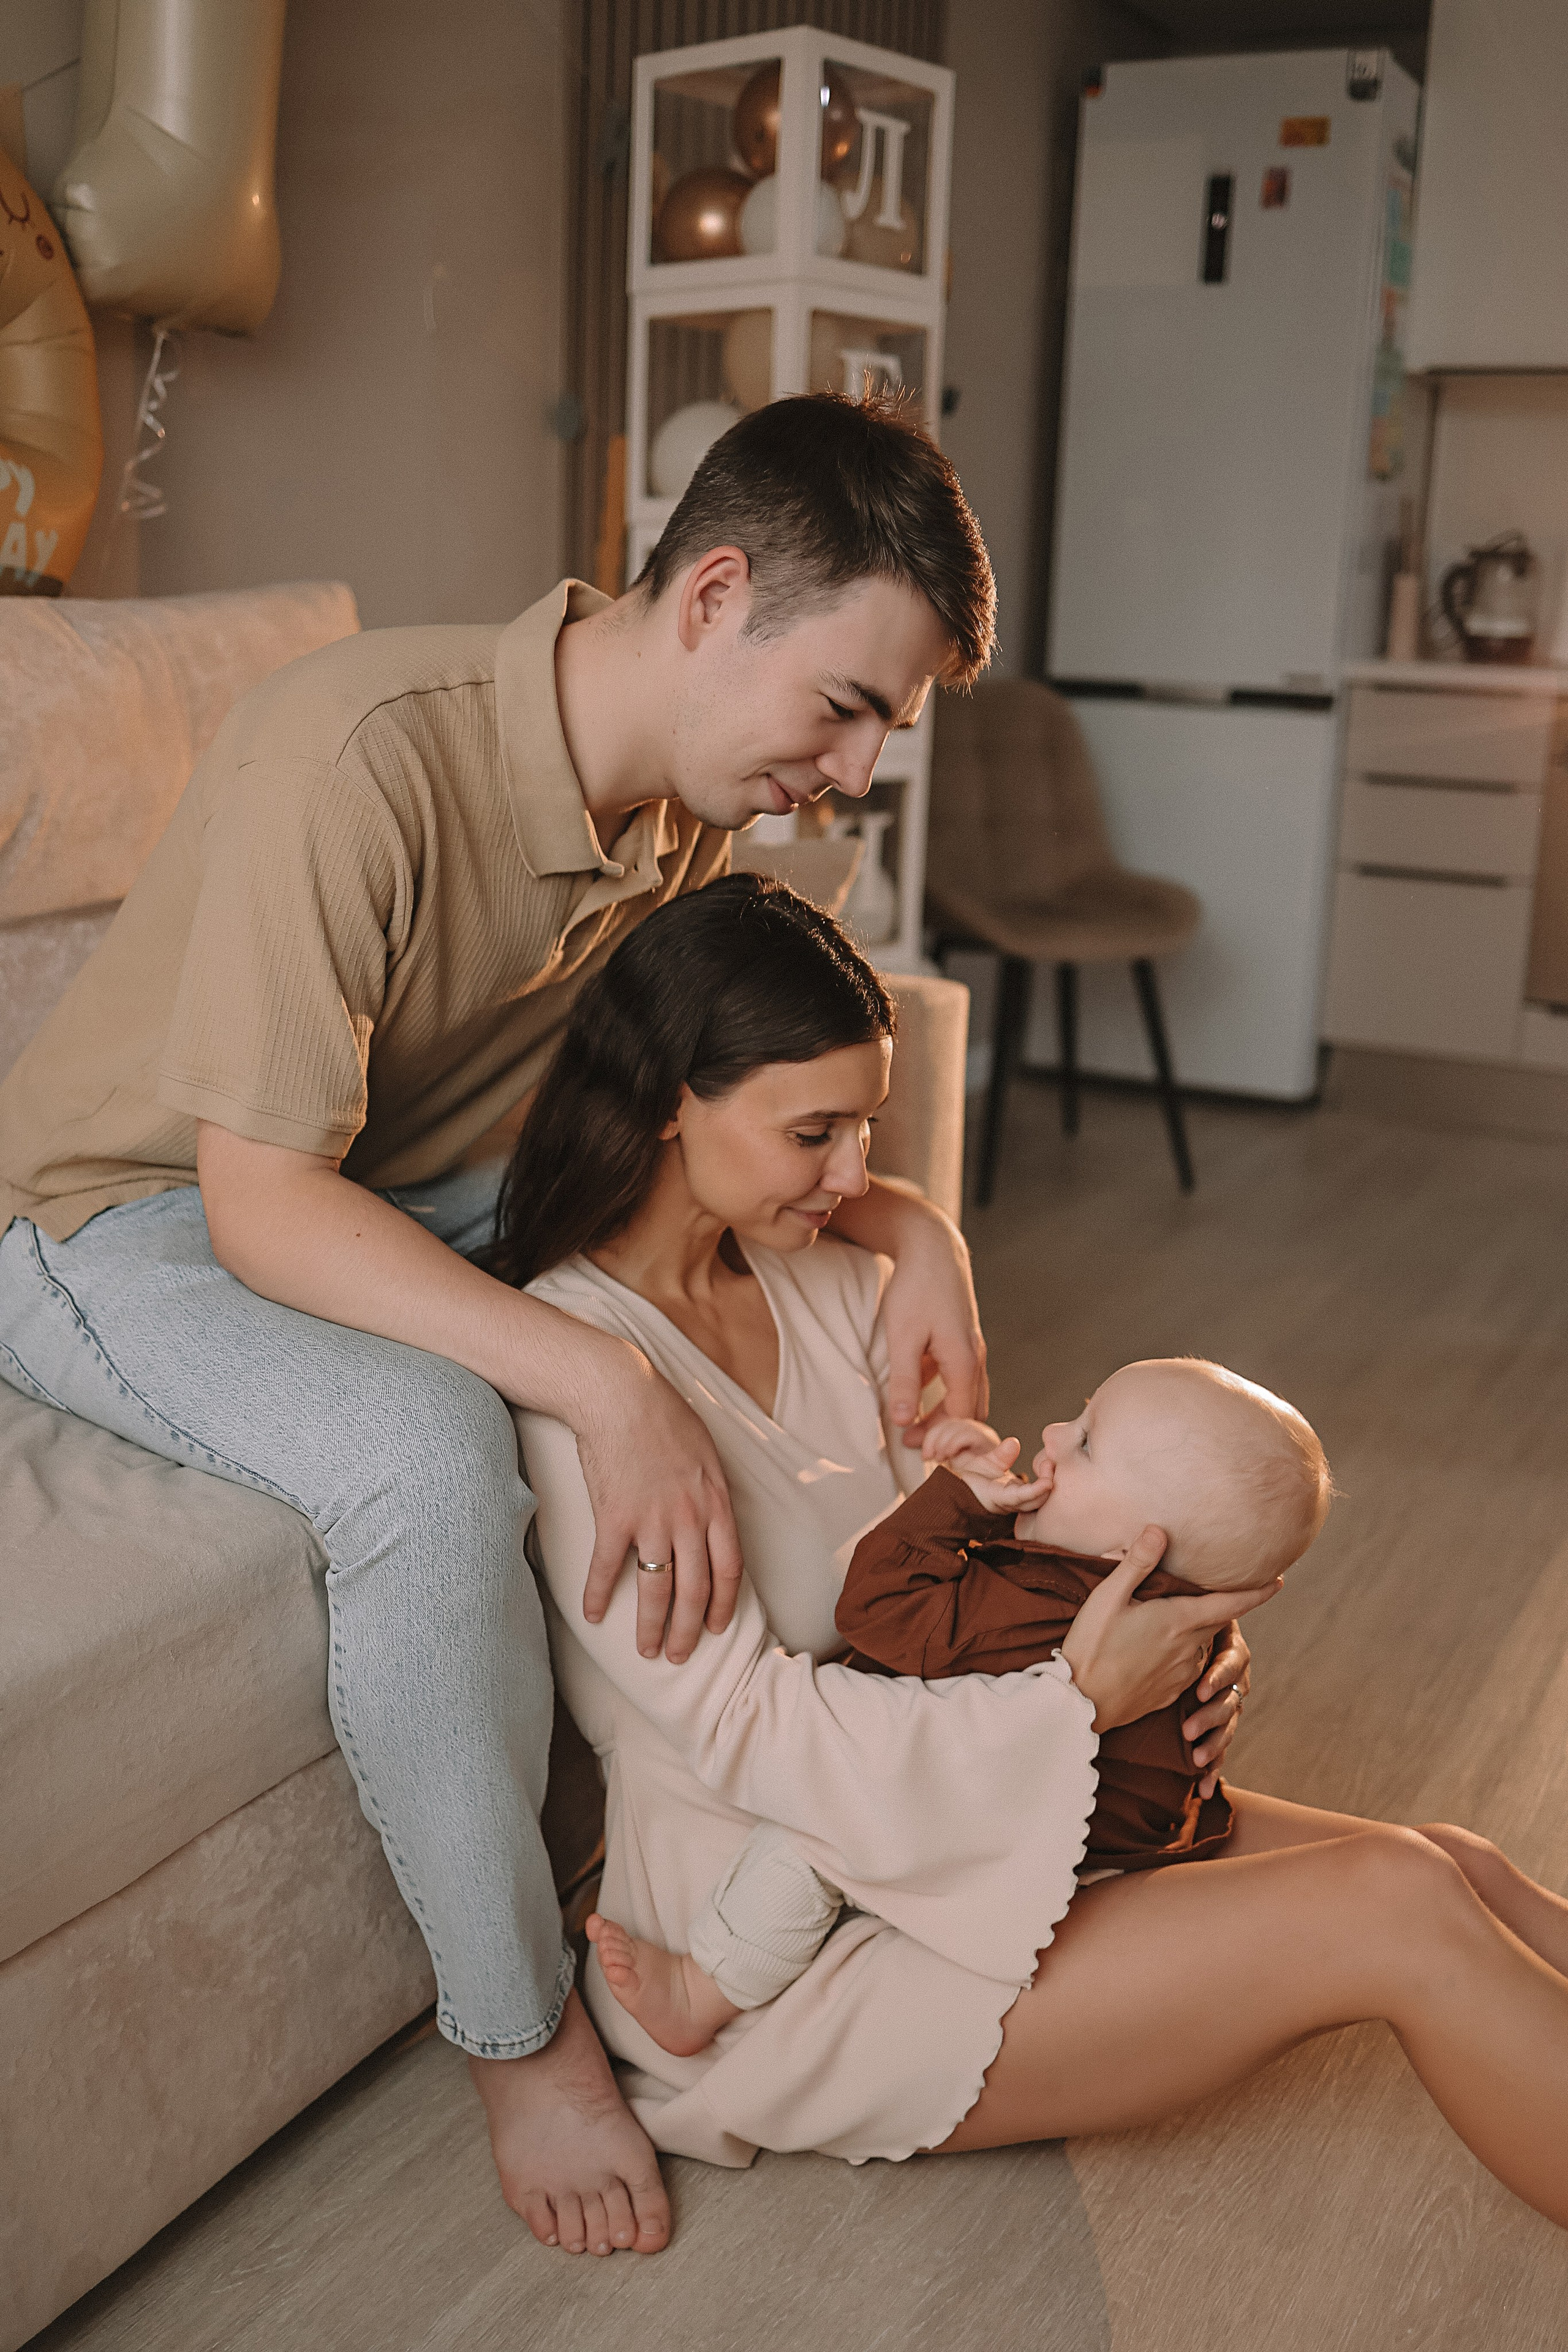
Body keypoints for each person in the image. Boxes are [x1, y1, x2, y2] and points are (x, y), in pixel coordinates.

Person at [0, 394, 1004, 2254]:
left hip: (399, 1181)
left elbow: (723, 1109)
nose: (853, 770)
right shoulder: (356, 758)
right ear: (716, 594)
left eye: (881, 728)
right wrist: (594, 1374)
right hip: (125, 1213)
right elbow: (257, 1199)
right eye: (844, 706)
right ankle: (519, 2032)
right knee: (433, 1456)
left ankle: (845, 1761)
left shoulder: (681, 816)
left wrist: (907, 1219)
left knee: (740, 1250)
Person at [510, 875, 1568, 2246]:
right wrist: (1082, 1702)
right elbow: (753, 1740)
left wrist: (1170, 1638)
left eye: (864, 1130)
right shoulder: (586, 1389)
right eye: (813, 1134)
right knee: (1398, 1906)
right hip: (785, 1938)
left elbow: (991, 1566)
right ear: (668, 1101)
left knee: (1455, 1862)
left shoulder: (838, 1285)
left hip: (991, 1807)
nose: (857, 1179)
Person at [586, 1358, 1334, 2057]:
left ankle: (707, 1989)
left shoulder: (1026, 1608)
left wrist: (955, 1503)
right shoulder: (1158, 1610)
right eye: (1079, 1415)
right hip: (1111, 1823)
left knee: (818, 1836)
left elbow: (874, 1610)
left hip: (1030, 1841)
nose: (1052, 1434)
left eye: (1084, 1443)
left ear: (1126, 1553)